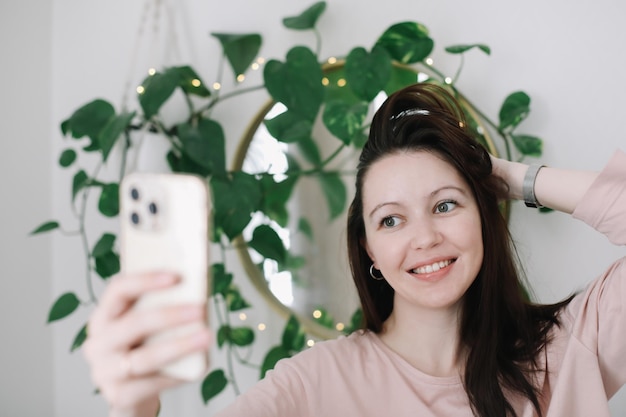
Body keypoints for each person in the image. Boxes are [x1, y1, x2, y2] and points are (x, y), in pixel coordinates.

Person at [83, 83, 626, 417]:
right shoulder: (314, 385)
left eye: (445, 206)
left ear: (483, 215)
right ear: (368, 246)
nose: (424, 238)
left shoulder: (568, 349)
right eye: (391, 219)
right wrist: (134, 405)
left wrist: (509, 177)